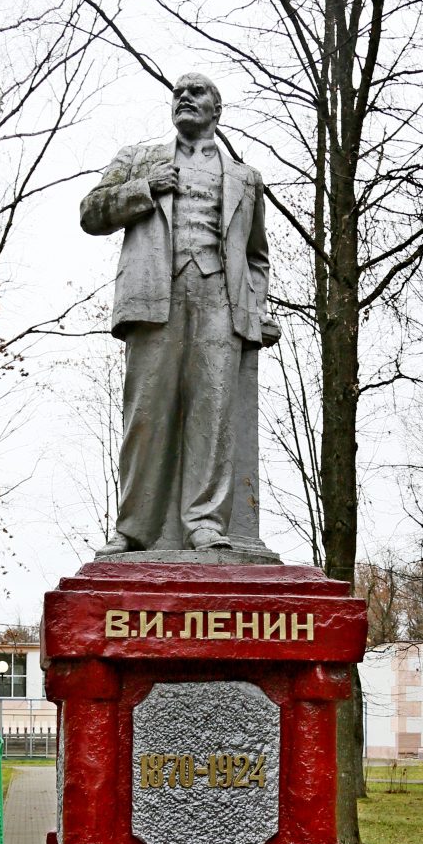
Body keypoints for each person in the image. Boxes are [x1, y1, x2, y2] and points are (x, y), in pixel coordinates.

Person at [79, 71, 272, 553]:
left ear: (216, 110)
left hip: (220, 301)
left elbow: (256, 256)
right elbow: (90, 213)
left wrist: (255, 307)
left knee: (213, 415)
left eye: (196, 91)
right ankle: (135, 528)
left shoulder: (246, 178)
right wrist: (143, 189)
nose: (183, 96)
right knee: (147, 414)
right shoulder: (138, 160)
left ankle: (204, 522)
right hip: (154, 299)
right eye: (177, 92)